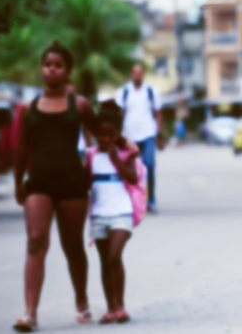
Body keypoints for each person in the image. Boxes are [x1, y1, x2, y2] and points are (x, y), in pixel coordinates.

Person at [13, 41, 97, 332]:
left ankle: (82, 300)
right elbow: (21, 149)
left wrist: (96, 169)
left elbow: (100, 140)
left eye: (58, 65)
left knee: (73, 246)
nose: (51, 69)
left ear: (67, 71)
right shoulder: (28, 107)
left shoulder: (81, 105)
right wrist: (17, 184)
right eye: (47, 64)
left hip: (72, 183)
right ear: (41, 68)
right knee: (36, 240)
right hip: (39, 182)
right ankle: (30, 313)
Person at [88, 101, 143, 325]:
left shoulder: (125, 154)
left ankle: (120, 305)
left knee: (114, 256)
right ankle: (111, 308)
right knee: (104, 261)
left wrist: (115, 158)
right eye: (101, 135)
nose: (105, 139)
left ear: (119, 134)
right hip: (99, 215)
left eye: (111, 135)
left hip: (122, 213)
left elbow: (132, 178)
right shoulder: (90, 155)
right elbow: (84, 183)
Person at [115, 64, 164, 212]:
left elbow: (158, 113)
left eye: (140, 73)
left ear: (143, 74)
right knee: (130, 169)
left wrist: (160, 134)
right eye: (135, 73)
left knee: (149, 166)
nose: (137, 76)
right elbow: (118, 115)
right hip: (129, 136)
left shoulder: (151, 91)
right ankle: (131, 200)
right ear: (131, 74)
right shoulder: (123, 91)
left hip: (148, 133)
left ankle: (151, 200)